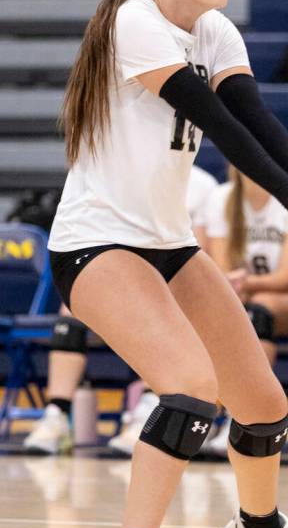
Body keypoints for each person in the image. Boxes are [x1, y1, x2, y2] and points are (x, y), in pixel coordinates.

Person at [47, 0, 288, 528]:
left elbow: (255, 116)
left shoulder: (216, 29)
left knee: (264, 405)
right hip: (96, 241)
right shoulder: (135, 21)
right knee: (188, 388)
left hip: (167, 242)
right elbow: (213, 119)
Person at [24, 164, 219, 455]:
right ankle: (57, 413)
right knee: (71, 316)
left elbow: (196, 256)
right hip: (121, 279)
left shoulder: (202, 186)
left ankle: (151, 405)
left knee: (164, 309)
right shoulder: (118, 171)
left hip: (169, 283)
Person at [203, 167, 288, 454]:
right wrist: (234, 284)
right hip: (243, 298)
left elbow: (285, 278)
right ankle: (205, 413)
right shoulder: (222, 198)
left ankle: (241, 414)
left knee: (257, 312)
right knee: (208, 314)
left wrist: (244, 282)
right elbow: (220, 270)